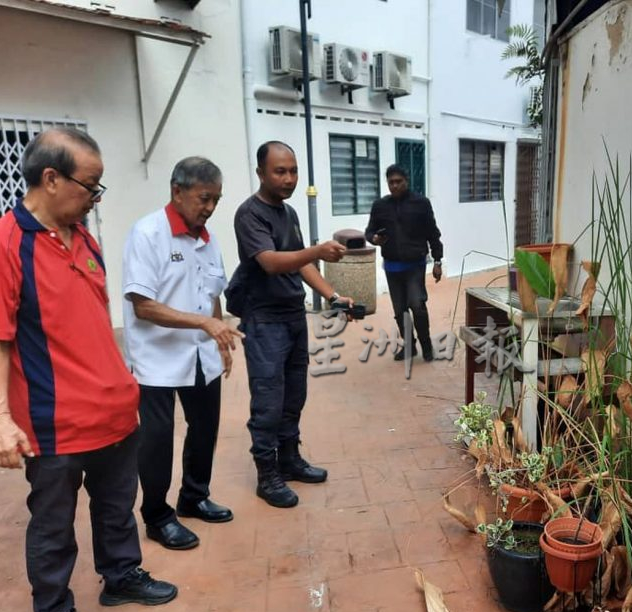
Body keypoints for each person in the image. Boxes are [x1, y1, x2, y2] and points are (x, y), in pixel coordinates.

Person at [0, 127, 177, 612]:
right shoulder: (1, 246)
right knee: (54, 522)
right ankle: (53, 610)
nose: (95, 196)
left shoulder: (81, 236)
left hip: (113, 412)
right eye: (92, 185)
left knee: (115, 506)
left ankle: (122, 576)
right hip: (53, 422)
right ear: (51, 178)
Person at [122, 157, 242, 551]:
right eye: (203, 198)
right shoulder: (148, 234)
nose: (209, 208)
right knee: (157, 439)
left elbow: (213, 293)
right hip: (156, 359)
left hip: (201, 355)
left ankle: (194, 496)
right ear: (177, 191)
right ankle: (157, 516)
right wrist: (205, 324)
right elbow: (143, 305)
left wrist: (219, 336)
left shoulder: (208, 238)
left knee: (205, 427)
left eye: (216, 200)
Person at [232, 140, 352, 508]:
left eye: (293, 171)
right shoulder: (249, 214)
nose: (288, 179)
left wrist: (332, 296)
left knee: (293, 394)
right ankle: (267, 476)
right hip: (264, 319)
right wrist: (317, 250)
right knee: (268, 399)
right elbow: (270, 261)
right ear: (260, 173)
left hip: (292, 315)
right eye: (279, 171)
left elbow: (301, 264)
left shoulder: (290, 214)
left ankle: (289, 459)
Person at [365, 164, 444, 361]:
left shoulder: (421, 204)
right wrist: (373, 239)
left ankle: (426, 345)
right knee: (400, 309)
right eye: (391, 182)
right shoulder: (380, 206)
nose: (394, 186)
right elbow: (369, 231)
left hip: (415, 265)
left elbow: (433, 233)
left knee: (417, 304)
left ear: (406, 182)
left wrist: (437, 260)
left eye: (398, 182)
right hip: (392, 266)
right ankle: (410, 346)